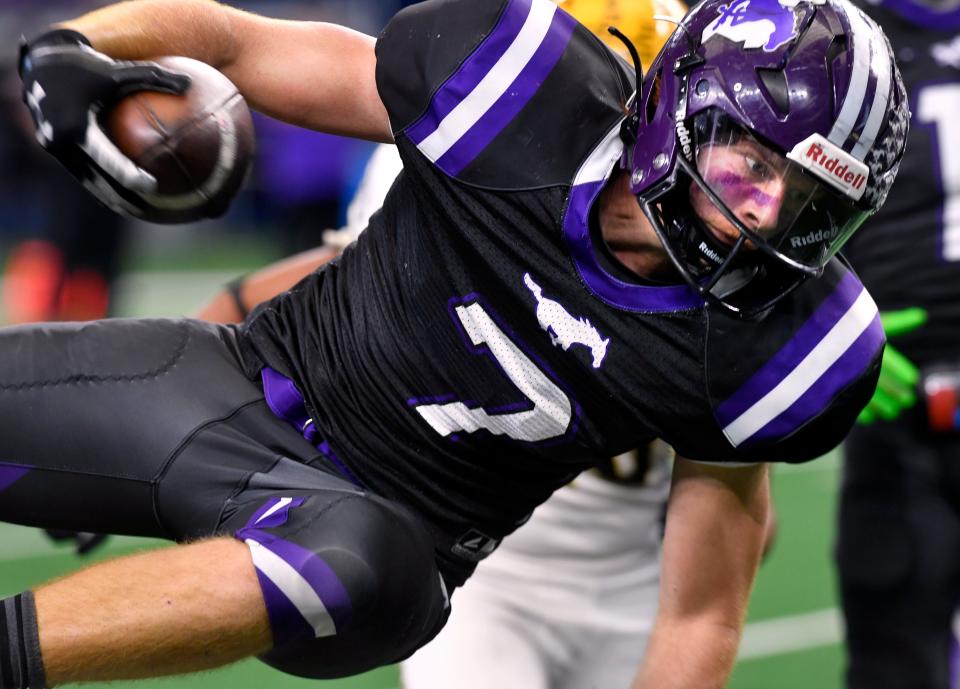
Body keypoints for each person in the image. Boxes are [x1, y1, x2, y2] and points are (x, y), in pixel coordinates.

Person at [1, 1, 905, 689]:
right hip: (242, 391)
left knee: (354, 553)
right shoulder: (517, 101)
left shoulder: (781, 353)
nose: (766, 219)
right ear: (673, 107)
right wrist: (79, 44)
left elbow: (707, 599)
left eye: (814, 206)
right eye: (751, 166)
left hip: (393, 544)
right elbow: (243, 43)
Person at [835, 2, 960, 688]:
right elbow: (771, 206)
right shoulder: (840, 41)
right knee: (893, 665)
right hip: (892, 419)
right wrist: (824, 331)